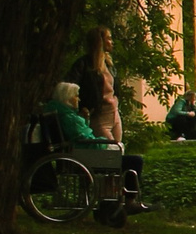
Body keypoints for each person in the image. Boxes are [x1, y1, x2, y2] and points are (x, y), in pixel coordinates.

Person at [39, 81, 149, 212]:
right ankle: (130, 201)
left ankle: (115, 200)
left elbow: (79, 135)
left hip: (79, 153)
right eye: (76, 96)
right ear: (67, 98)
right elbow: (85, 138)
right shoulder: (69, 117)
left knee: (122, 154)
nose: (78, 99)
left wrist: (85, 120)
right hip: (85, 154)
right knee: (135, 161)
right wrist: (106, 142)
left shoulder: (63, 114)